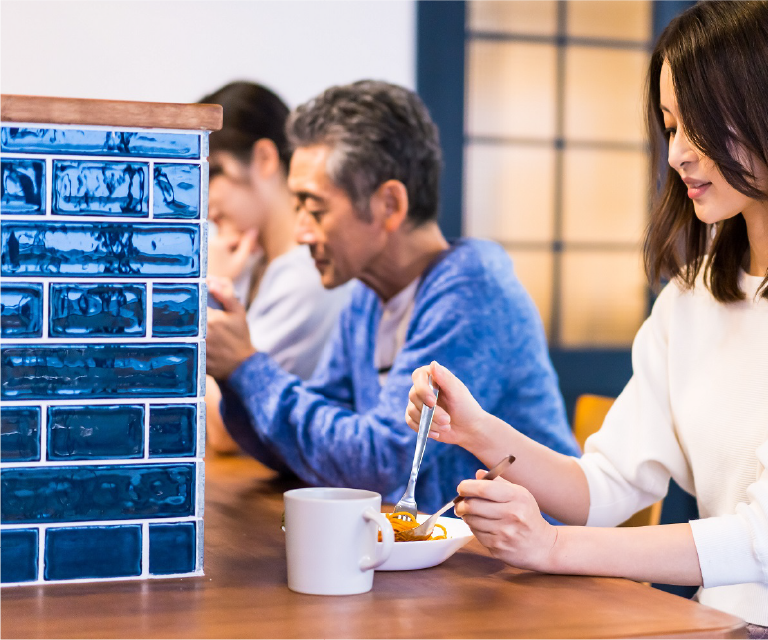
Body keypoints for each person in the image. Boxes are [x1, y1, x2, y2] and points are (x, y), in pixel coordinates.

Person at [405, 1, 768, 637]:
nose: (678, 153)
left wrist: (550, 548)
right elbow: (603, 488)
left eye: (699, 127)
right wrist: (479, 431)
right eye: (669, 125)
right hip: (712, 623)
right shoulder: (694, 295)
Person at [205, 81, 579, 514]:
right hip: (447, 562)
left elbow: (382, 466)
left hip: (533, 570)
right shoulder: (365, 297)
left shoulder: (471, 293)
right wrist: (235, 375)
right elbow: (312, 451)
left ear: (389, 203)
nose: (301, 231)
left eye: (314, 208)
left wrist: (248, 368)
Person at [201, 81, 350, 453]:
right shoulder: (253, 262)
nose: (203, 197)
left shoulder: (308, 275)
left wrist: (211, 289)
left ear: (265, 159)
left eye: (213, 172)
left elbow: (221, 431)